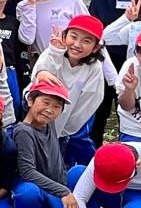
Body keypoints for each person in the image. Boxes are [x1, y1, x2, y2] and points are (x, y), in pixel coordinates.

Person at [9, 74, 84, 208]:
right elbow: (27, 172)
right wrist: (63, 191)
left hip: (51, 188)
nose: (49, 110)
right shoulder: (23, 131)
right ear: (30, 101)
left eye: (57, 106)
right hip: (31, 186)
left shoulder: (49, 124)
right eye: (45, 102)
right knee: (29, 193)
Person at [33, 14, 107, 166]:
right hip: (38, 117)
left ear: (96, 47)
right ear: (64, 35)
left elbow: (90, 100)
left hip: (68, 124)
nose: (77, 44)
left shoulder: (94, 68)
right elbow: (39, 77)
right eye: (73, 37)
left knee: (58, 161)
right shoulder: (53, 52)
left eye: (86, 41)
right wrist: (55, 53)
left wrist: (67, 129)